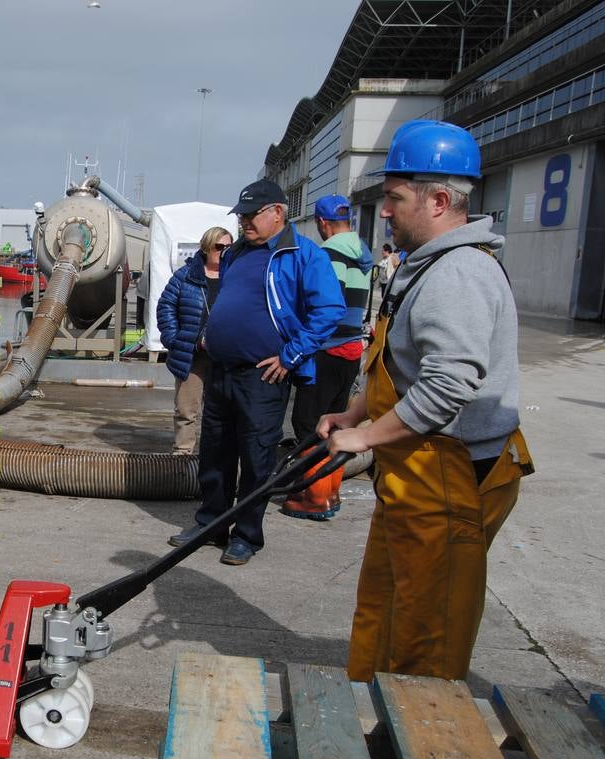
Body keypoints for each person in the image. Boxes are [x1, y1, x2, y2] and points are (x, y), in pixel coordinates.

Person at [320, 120, 533, 683]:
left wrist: (363, 438)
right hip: (417, 472)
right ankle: (378, 713)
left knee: (426, 634)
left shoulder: (458, 273)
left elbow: (446, 386)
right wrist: (354, 413)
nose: (384, 212)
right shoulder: (429, 266)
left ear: (439, 200)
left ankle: (419, 747)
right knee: (389, 604)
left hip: (451, 476)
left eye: (393, 199)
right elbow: (401, 365)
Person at [168, 179, 345, 565]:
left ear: (278, 212)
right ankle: (210, 524)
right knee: (215, 452)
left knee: (256, 457)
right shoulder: (236, 254)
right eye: (241, 215)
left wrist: (289, 356)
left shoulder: (304, 255)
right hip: (222, 371)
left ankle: (246, 535)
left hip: (263, 377)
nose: (244, 221)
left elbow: (329, 311)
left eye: (251, 214)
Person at [281, 194, 371, 520]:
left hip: (327, 350)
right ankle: (330, 494)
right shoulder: (362, 255)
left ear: (321, 222)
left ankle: (313, 497)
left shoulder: (330, 255)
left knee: (310, 424)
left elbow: (326, 308)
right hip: (351, 351)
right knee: (336, 423)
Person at [156, 226, 233, 454]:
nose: (224, 252)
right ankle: (182, 453)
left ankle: (214, 455)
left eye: (229, 247)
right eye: (220, 247)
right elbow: (165, 306)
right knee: (186, 410)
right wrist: (174, 339)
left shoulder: (236, 276)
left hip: (225, 356)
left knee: (219, 410)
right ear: (207, 247)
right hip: (193, 355)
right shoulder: (186, 275)